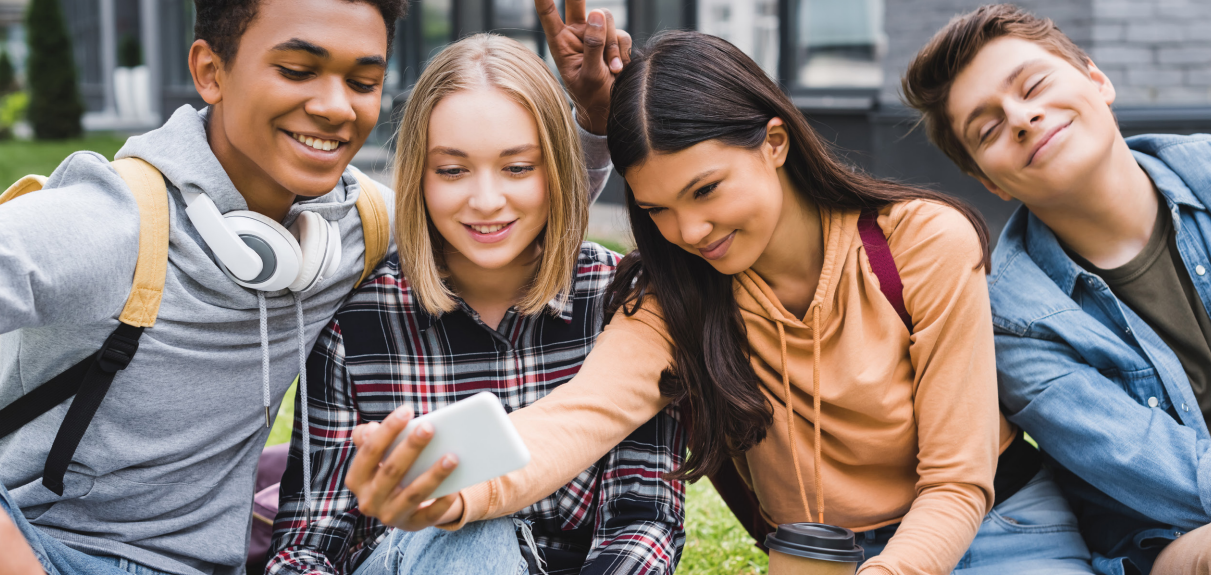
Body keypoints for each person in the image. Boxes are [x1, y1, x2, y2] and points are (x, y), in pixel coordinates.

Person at [340, 29, 1098, 575]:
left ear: (773, 141)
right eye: (660, 210)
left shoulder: (915, 241)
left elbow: (957, 478)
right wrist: (447, 491)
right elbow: (569, 422)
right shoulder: (674, 298)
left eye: (705, 190)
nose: (690, 230)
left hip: (1000, 531)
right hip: (821, 553)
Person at [0, 0, 622, 573]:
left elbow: (498, 221)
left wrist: (593, 123)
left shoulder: (361, 225)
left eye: (362, 81)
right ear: (211, 71)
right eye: (298, 70)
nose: (335, 107)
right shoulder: (109, 222)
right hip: (52, 550)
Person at [267, 32, 685, 575]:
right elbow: (308, 545)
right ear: (418, 175)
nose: (486, 202)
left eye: (517, 168)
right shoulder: (360, 326)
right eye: (452, 170)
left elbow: (645, 519)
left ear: (557, 168)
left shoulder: (620, 303)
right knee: (471, 530)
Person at [899, 5, 1211, 575]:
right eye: (988, 128)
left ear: (1097, 80)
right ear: (987, 180)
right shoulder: (1011, 317)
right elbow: (1173, 477)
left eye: (1034, 85)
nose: (1021, 118)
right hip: (1179, 535)